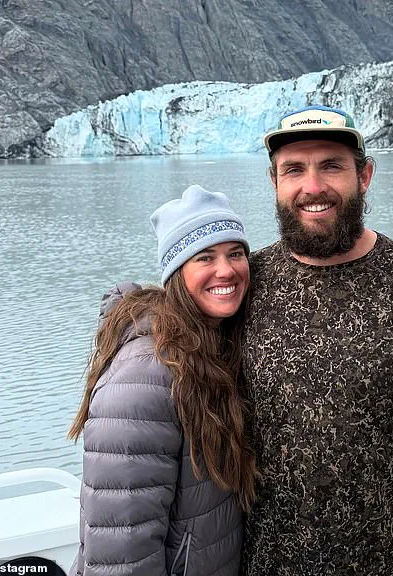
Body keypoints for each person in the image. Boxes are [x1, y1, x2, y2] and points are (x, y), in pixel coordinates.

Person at [240, 105, 393, 575]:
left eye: (331, 166)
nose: (313, 186)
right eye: (294, 169)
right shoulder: (246, 285)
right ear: (274, 182)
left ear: (364, 175)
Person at [67, 184, 257, 576]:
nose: (226, 269)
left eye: (235, 253)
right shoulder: (146, 374)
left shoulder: (208, 348)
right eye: (205, 257)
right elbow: (122, 547)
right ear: (176, 271)